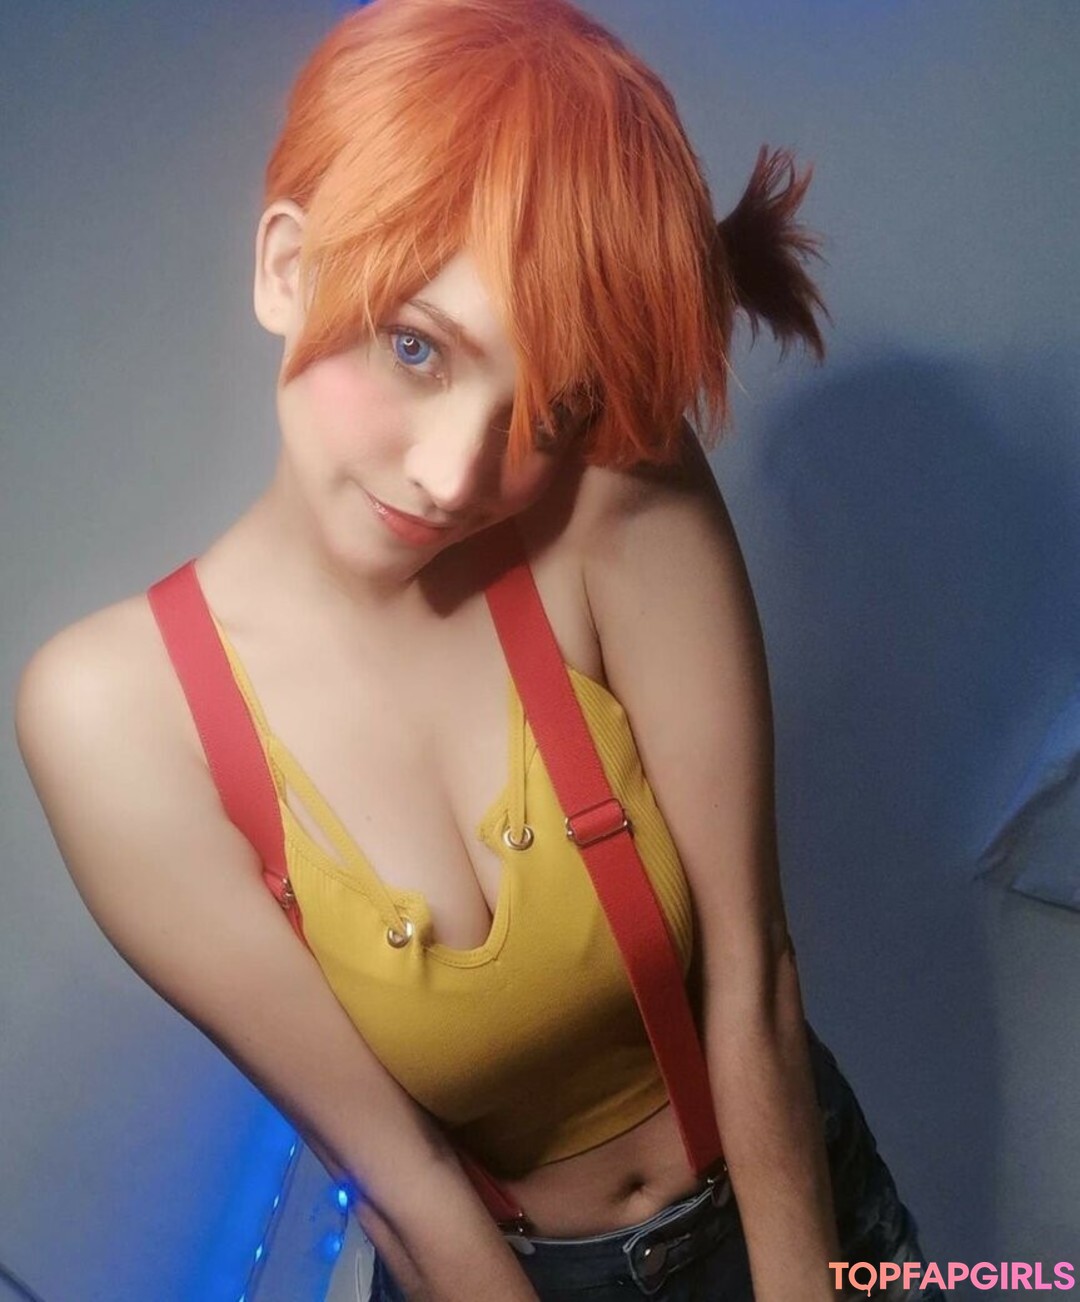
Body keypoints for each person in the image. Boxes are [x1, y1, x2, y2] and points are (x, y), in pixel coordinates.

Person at [15, 1, 944, 1298]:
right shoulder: (114, 716)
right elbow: (404, 1184)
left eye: (547, 408)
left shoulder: (612, 489)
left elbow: (756, 980)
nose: (456, 476)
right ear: (287, 267)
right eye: (416, 347)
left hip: (798, 1197)